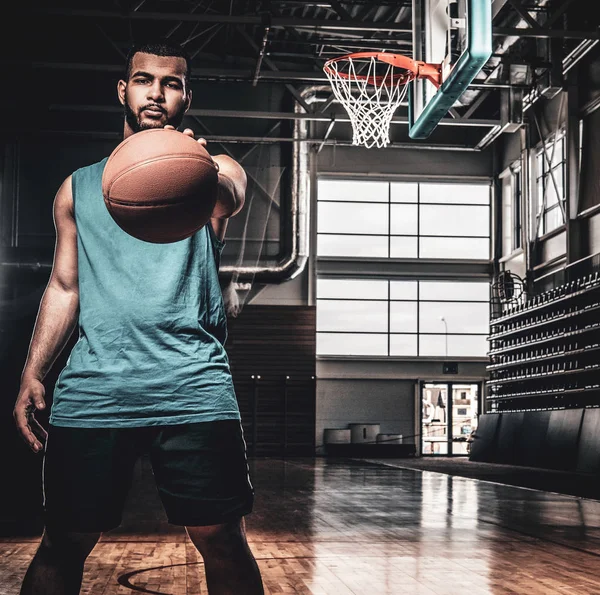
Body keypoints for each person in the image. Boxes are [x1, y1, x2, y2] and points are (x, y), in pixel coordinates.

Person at [13, 38, 264, 595]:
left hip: (192, 384)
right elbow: (64, 284)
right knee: (62, 541)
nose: (157, 92)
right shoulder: (77, 187)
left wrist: (194, 171)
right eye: (145, 80)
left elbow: (228, 198)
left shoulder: (214, 168)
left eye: (172, 83)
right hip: (94, 388)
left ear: (186, 97)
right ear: (123, 91)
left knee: (222, 537)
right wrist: (33, 371)